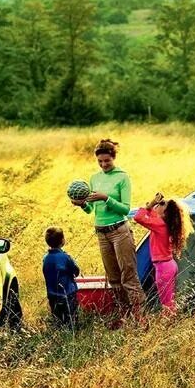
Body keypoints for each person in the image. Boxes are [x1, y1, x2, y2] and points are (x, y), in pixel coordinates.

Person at [70, 138, 146, 322]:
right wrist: (82, 204)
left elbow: (125, 209)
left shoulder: (122, 177)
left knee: (128, 274)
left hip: (119, 231)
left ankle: (140, 316)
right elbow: (91, 209)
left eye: (107, 161)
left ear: (113, 158)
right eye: (100, 161)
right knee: (113, 278)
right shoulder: (95, 178)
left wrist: (106, 198)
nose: (104, 164)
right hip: (101, 232)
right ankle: (124, 314)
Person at [133, 192, 186, 314]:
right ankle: (171, 322)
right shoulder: (164, 224)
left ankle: (168, 325)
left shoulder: (160, 225)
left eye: (162, 204)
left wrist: (150, 205)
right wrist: (152, 207)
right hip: (169, 265)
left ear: (165, 213)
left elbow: (138, 217)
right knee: (169, 300)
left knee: (166, 304)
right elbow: (152, 216)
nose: (158, 205)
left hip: (163, 267)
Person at [42, 227, 80, 326]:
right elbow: (76, 271)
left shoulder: (45, 258)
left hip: (52, 295)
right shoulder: (66, 257)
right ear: (62, 241)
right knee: (71, 318)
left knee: (57, 318)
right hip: (68, 294)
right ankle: (72, 333)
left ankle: (59, 330)